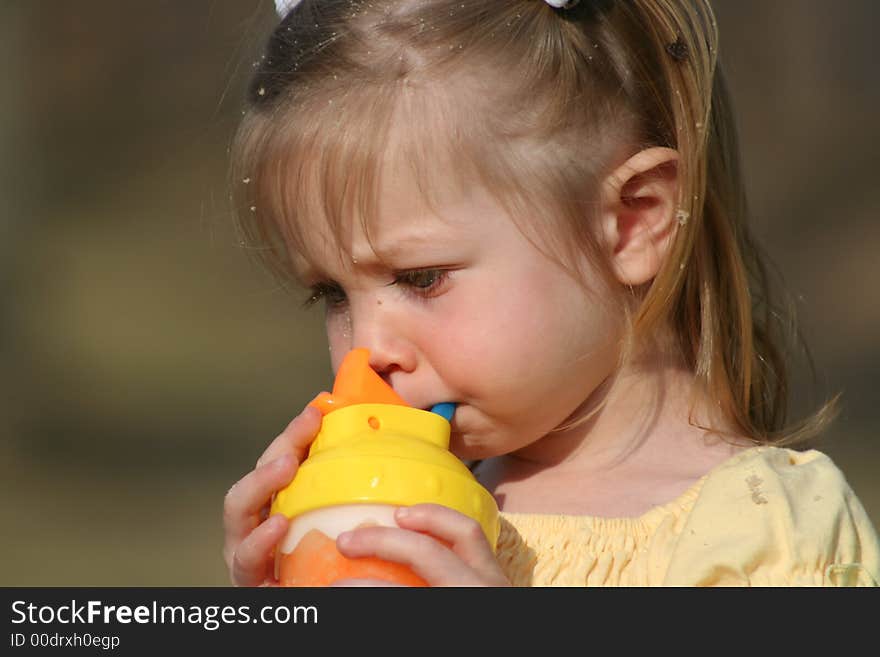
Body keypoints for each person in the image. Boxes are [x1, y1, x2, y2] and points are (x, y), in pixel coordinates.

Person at [222, 0, 880, 586]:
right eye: (332, 294)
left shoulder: (772, 536)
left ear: (632, 221)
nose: (366, 352)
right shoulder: (424, 508)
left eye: (421, 277)